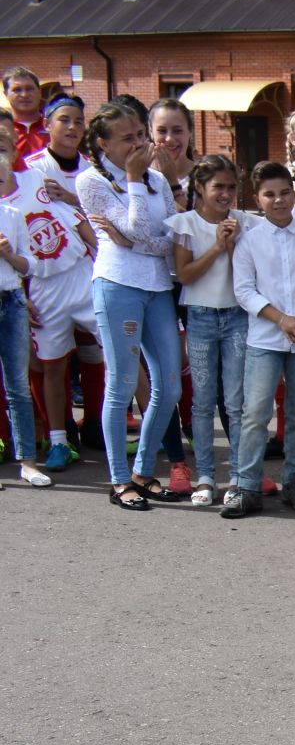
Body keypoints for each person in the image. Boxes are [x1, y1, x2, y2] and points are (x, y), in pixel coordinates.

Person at [78, 100, 183, 512]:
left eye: (141, 134)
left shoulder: (157, 178)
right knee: (121, 384)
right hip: (117, 284)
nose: (139, 143)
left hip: (157, 288)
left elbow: (168, 238)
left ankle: (142, 470)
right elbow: (140, 228)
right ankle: (120, 480)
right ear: (103, 143)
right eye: (128, 138)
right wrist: (135, 182)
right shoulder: (93, 181)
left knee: (170, 385)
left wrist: (135, 239)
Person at [225, 160, 295, 518]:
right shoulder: (250, 241)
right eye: (270, 195)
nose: (279, 201)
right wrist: (282, 320)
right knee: (255, 413)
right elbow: (244, 291)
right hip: (265, 339)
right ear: (257, 198)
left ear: (294, 194)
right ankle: (247, 486)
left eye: (285, 193)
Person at [11, 100, 95, 474]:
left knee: (111, 353)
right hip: (42, 284)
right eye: (65, 120)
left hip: (85, 273)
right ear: (48, 125)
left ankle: (111, 426)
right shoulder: (33, 170)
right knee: (50, 365)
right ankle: (58, 438)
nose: (73, 127)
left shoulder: (87, 170)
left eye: (79, 121)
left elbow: (87, 220)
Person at [166, 154, 254, 505]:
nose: (226, 194)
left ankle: (237, 475)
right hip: (200, 316)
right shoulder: (184, 224)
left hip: (237, 316)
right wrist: (217, 246)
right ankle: (205, 475)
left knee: (235, 401)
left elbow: (246, 275)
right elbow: (184, 275)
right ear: (199, 187)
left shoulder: (245, 222)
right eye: (218, 186)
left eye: (231, 187)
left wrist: (232, 247)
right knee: (202, 401)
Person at [0, 114, 50, 487]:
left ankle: (28, 460)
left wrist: (10, 255)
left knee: (17, 383)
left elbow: (29, 265)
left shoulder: (13, 215)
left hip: (11, 301)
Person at [5, 67, 47, 168]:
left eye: (29, 89)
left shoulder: (55, 127)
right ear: (6, 94)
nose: (24, 95)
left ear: (39, 92)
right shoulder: (3, 130)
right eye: (17, 90)